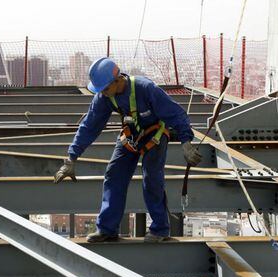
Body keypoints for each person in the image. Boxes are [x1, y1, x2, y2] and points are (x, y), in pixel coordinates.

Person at [54, 57, 201, 243]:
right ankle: (107, 229)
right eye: (102, 91)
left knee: (152, 178)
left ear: (118, 80)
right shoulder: (105, 96)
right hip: (130, 135)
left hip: (155, 134)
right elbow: (90, 126)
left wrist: (186, 143)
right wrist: (71, 158)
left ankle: (160, 229)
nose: (104, 94)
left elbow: (176, 114)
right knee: (114, 175)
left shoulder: (146, 88)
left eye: (106, 89)